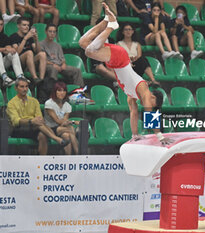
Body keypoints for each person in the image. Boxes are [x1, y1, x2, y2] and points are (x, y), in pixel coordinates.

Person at [79, 3, 171, 145]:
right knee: (89, 51)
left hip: (116, 62)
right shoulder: (145, 91)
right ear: (153, 97)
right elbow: (149, 113)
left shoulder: (131, 96)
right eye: (154, 104)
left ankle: (106, 20)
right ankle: (112, 26)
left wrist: (135, 135)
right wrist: (160, 136)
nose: (150, 105)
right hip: (120, 59)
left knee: (83, 42)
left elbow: (133, 114)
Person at [6, 77, 71, 155]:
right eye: (22, 87)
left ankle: (42, 161)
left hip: (34, 127)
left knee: (42, 135)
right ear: (16, 88)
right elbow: (16, 121)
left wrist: (35, 121)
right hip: (19, 129)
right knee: (38, 123)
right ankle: (56, 138)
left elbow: (39, 117)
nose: (25, 89)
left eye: (26, 86)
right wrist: (31, 121)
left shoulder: (34, 101)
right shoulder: (11, 103)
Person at [44, 82, 79, 155]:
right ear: (54, 92)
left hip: (61, 128)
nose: (62, 93)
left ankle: (68, 159)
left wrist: (67, 122)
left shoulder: (67, 106)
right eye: (59, 90)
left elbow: (64, 121)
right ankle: (79, 155)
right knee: (71, 129)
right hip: (50, 128)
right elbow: (57, 121)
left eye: (64, 91)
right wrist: (73, 122)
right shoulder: (49, 103)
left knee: (67, 135)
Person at [9, 17, 46, 84]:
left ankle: (41, 79)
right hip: (18, 63)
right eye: (24, 25)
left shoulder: (30, 37)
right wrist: (25, 38)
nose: (26, 27)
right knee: (29, 52)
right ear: (18, 26)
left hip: (30, 61)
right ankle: (35, 78)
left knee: (42, 54)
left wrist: (36, 40)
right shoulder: (13, 37)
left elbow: (38, 51)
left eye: (28, 25)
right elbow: (17, 53)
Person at [0, 17, 26, 87]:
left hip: (2, 64)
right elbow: (5, 49)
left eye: (1, 24)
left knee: (13, 54)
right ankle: (4, 77)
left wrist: (10, 50)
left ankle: (20, 77)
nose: (0, 26)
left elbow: (8, 48)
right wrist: (4, 49)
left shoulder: (4, 36)